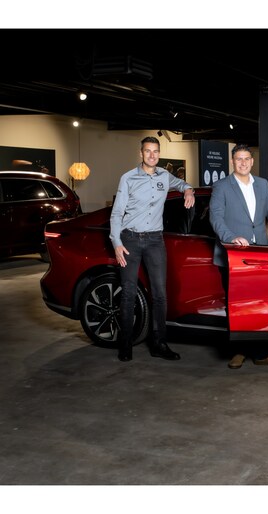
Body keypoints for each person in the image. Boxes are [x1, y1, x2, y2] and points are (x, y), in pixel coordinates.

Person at [110, 136, 195, 362]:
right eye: (147, 151)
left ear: (159, 154)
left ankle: (159, 344)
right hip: (129, 240)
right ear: (141, 153)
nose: (152, 155)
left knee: (160, 295)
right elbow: (117, 213)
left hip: (155, 241)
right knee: (128, 294)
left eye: (155, 151)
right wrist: (116, 243)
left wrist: (188, 190)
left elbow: (182, 184)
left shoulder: (165, 176)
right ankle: (125, 345)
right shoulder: (128, 178)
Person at [209, 144, 268, 369]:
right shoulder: (222, 186)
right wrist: (231, 237)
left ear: (252, 162)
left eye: (246, 159)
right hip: (233, 255)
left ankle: (263, 353)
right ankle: (238, 351)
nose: (243, 163)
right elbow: (216, 218)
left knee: (261, 305)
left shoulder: (262, 184)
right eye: (239, 159)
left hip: (260, 255)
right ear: (232, 162)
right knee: (236, 306)